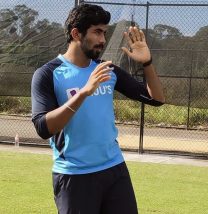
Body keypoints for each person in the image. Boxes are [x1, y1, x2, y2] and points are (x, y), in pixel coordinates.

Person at [31, 4, 164, 214]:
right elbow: (43, 127)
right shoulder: (48, 74)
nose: (103, 40)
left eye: (105, 32)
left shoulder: (107, 70)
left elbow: (156, 99)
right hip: (74, 176)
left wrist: (147, 63)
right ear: (76, 33)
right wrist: (83, 92)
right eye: (97, 32)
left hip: (115, 170)